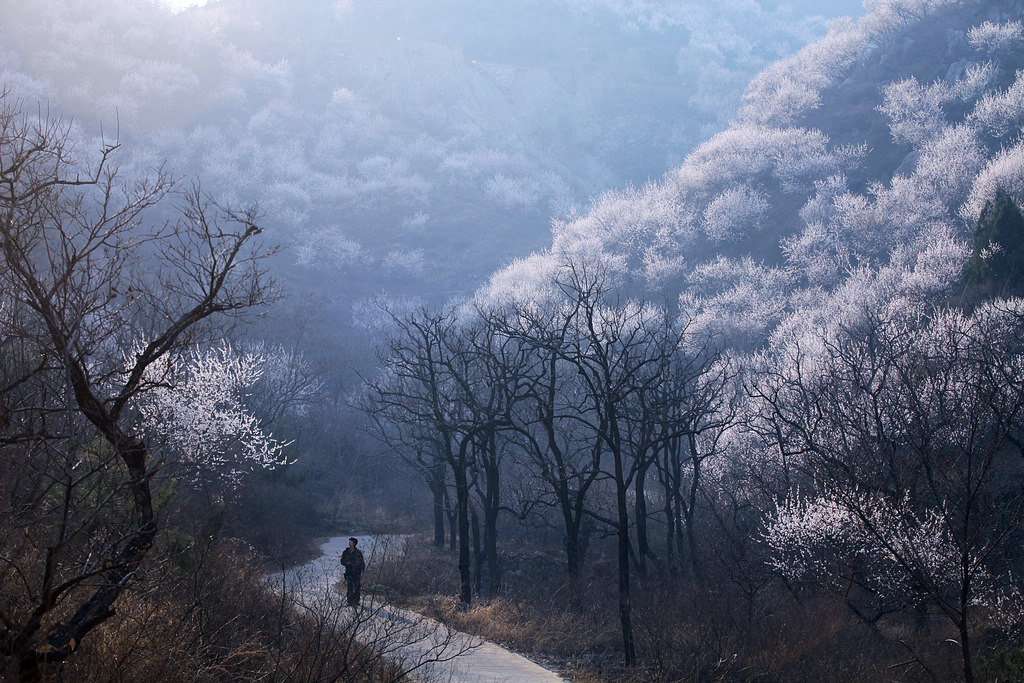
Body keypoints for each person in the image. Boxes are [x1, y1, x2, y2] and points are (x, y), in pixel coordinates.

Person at [340, 537, 365, 606]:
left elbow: (362, 562)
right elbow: (342, 561)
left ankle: (356, 601)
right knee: (350, 587)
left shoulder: (358, 552)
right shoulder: (345, 552)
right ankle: (350, 601)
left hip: (357, 573)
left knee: (357, 587)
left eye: (350, 541)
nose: (349, 542)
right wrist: (346, 563)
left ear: (354, 543)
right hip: (349, 572)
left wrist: (362, 570)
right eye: (349, 541)